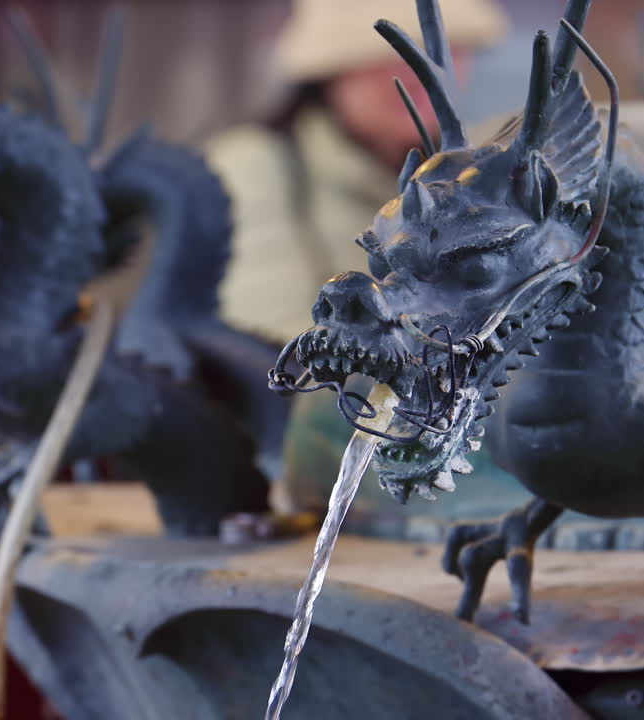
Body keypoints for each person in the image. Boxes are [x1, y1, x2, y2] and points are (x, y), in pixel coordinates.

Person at [206, 0, 531, 524]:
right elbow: (277, 346)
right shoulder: (257, 165)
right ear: (330, 71)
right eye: (386, 58)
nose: (418, 76)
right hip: (301, 462)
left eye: (443, 56)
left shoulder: (465, 182)